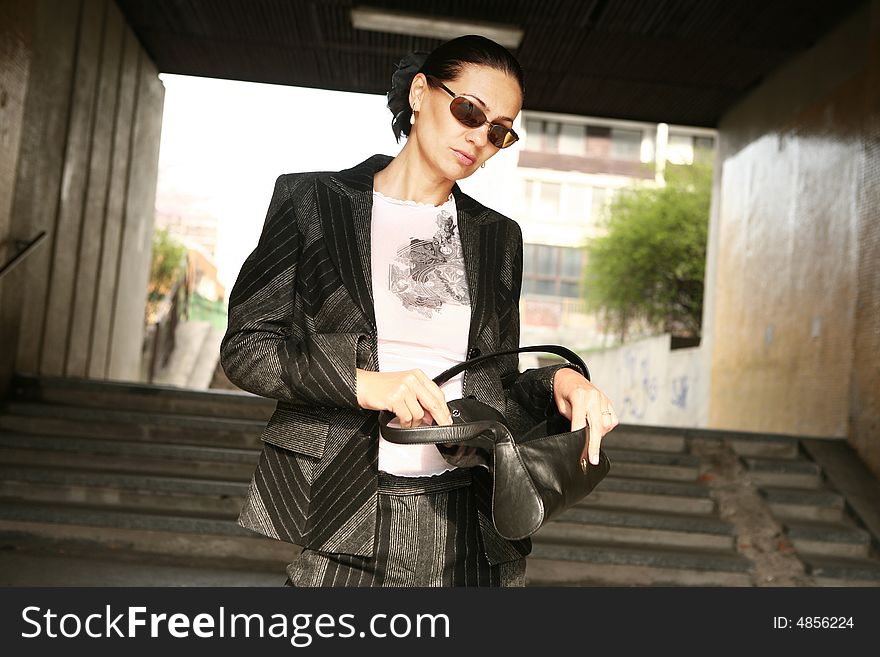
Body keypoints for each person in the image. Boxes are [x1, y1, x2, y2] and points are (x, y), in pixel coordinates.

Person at [220, 34, 619, 587]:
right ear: (419, 93)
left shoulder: (498, 238)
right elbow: (247, 350)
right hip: (346, 506)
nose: (479, 138)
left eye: (499, 131)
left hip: (471, 519)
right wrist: (368, 385)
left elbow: (495, 384)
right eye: (469, 111)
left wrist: (561, 381)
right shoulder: (313, 201)